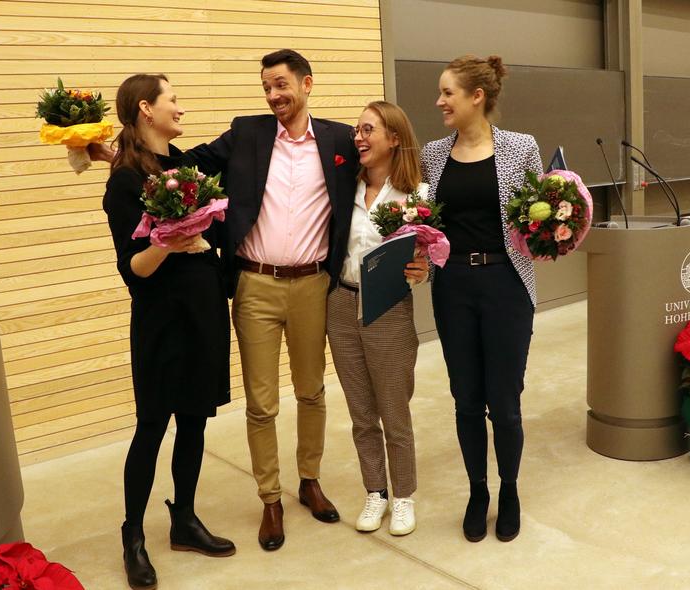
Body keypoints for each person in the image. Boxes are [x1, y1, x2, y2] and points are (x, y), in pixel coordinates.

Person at [182, 49, 359, 551]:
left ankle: (309, 480)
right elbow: (187, 163)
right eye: (266, 87)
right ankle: (270, 500)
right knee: (261, 403)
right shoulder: (247, 132)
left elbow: (386, 167)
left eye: (281, 84)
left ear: (307, 84)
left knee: (311, 391)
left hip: (312, 285)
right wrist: (124, 154)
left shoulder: (340, 139)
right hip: (255, 286)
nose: (273, 95)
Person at [103, 74, 235, 590]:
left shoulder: (183, 166)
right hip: (161, 317)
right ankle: (132, 536)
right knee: (152, 427)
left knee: (196, 419)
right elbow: (132, 267)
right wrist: (169, 242)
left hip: (203, 309)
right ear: (145, 109)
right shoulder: (125, 181)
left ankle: (184, 520)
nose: (179, 107)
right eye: (172, 99)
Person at [420, 55, 542, 543]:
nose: (439, 101)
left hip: (507, 287)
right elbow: (424, 220)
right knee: (466, 399)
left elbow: (544, 209)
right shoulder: (433, 153)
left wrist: (555, 231)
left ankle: (509, 489)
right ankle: (478, 490)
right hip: (453, 288)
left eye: (448, 93)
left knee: (504, 402)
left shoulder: (520, 147)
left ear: (476, 97)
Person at [326, 101, 428, 536]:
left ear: (394, 139)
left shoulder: (417, 195)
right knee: (361, 410)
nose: (359, 138)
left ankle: (402, 495)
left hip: (388, 308)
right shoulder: (342, 188)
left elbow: (428, 255)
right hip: (340, 305)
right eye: (357, 130)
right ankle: (376, 492)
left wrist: (424, 269)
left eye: (369, 130)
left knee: (393, 408)